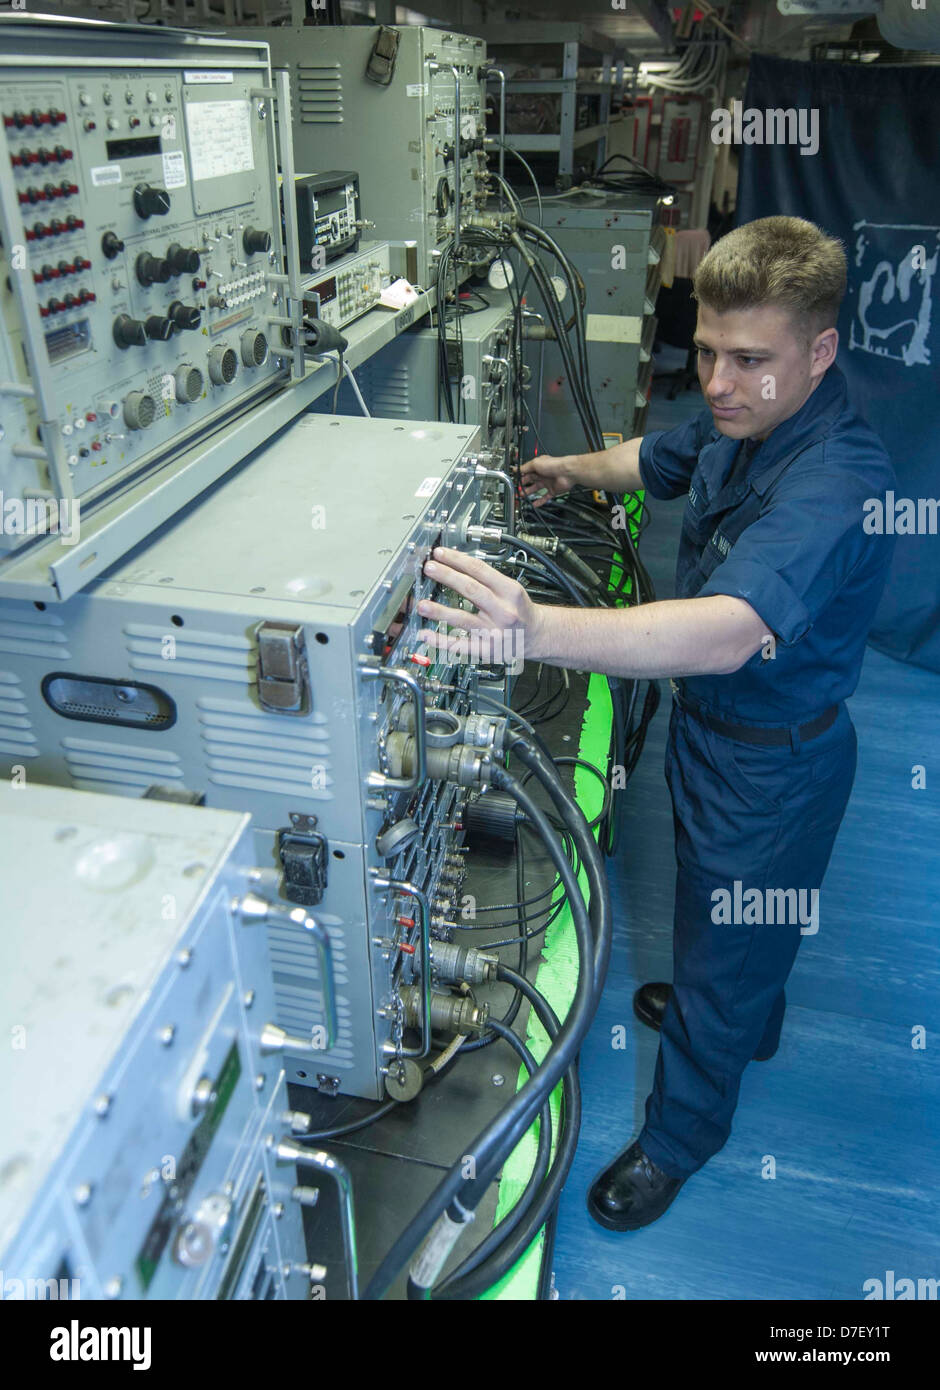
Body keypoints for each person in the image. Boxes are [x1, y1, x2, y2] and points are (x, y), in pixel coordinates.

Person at [416, 216, 896, 1231]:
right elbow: (658, 456)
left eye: (751, 360)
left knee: (729, 939)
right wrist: (564, 471)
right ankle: (740, 1018)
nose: (719, 380)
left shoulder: (836, 481)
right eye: (710, 351)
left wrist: (534, 627)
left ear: (818, 353)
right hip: (717, 739)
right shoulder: (744, 422)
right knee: (725, 930)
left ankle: (681, 1135)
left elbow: (725, 632)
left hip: (773, 765)